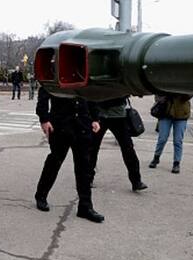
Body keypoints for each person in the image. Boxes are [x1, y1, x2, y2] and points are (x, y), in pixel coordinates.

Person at [34, 87, 104, 223]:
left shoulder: (84, 68)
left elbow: (90, 93)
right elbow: (45, 90)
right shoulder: (56, 68)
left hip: (82, 125)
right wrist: (44, 119)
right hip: (60, 124)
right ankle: (41, 195)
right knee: (55, 161)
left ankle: (85, 206)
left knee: (84, 166)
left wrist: (95, 118)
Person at [89, 97, 147, 191]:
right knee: (92, 148)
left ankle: (136, 181)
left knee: (128, 149)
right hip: (100, 115)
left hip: (117, 115)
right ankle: (88, 178)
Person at [149, 93, 193, 173]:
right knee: (162, 138)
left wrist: (179, 92)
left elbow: (190, 95)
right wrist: (165, 96)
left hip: (181, 114)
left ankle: (176, 163)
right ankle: (156, 157)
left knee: (178, 141)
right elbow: (157, 95)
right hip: (166, 112)